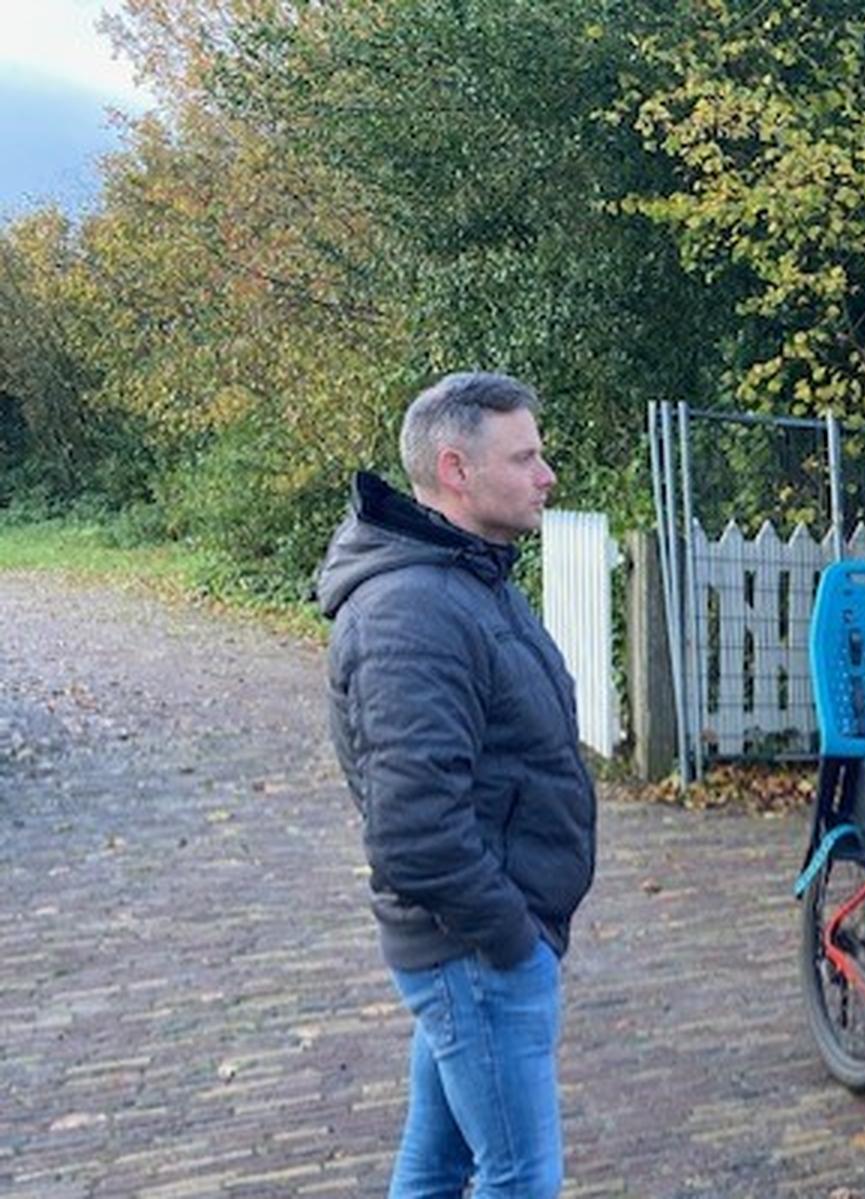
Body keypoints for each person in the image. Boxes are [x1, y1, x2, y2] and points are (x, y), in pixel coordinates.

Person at [315, 371, 596, 1199]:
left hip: (483, 943)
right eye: (527, 456)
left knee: (437, 1167)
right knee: (519, 1178)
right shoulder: (413, 609)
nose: (546, 475)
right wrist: (511, 940)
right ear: (456, 469)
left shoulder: (468, 578)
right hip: (475, 948)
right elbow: (412, 829)